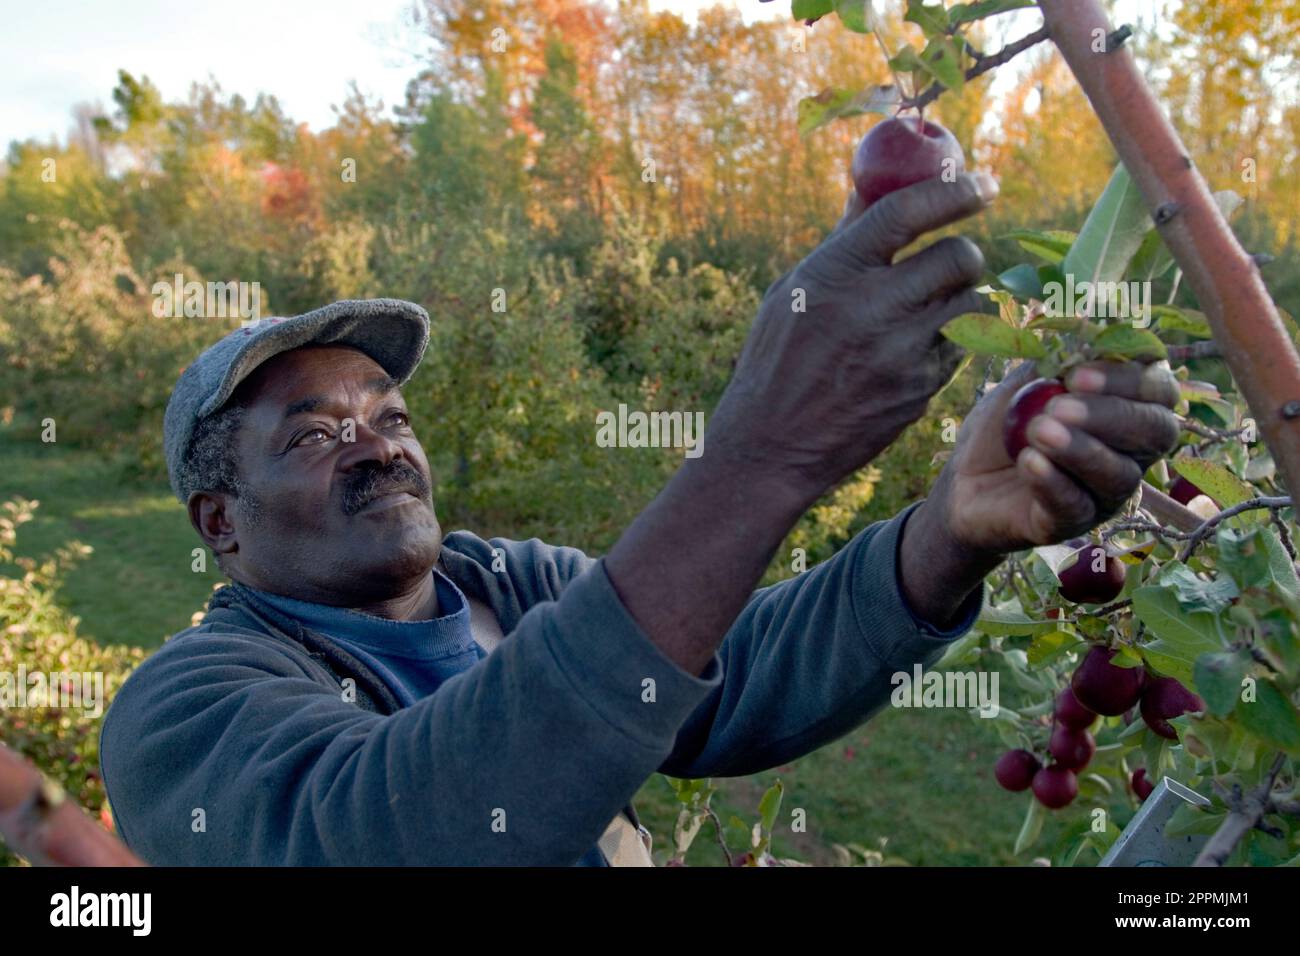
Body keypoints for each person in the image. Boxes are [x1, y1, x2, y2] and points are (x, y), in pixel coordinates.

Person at [99, 172, 1180, 865]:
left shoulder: (507, 583)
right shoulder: (185, 709)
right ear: (220, 522)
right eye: (314, 433)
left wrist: (948, 528)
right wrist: (759, 454)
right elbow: (396, 826)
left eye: (392, 414)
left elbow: (724, 672)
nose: (381, 444)